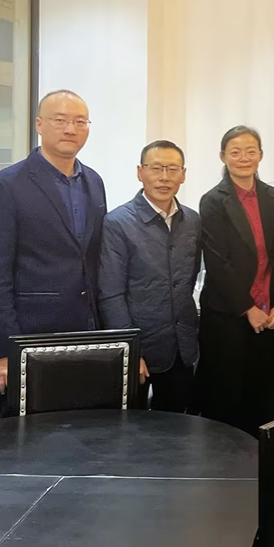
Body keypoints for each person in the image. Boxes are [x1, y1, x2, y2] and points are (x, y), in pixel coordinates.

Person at [0, 89, 106, 413]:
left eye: (80, 121)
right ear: (39, 124)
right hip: (32, 337)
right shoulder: (6, 186)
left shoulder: (94, 181)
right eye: (60, 120)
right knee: (29, 433)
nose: (70, 129)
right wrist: (4, 351)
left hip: (88, 334)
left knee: (87, 429)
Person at [196, 126, 274, 435]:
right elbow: (218, 264)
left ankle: (258, 458)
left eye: (251, 151)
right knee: (227, 398)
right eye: (235, 152)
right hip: (228, 315)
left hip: (270, 313)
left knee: (263, 395)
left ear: (260, 155)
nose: (244, 158)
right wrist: (248, 308)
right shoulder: (212, 201)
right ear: (223, 157)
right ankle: (225, 460)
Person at [98, 140, 201, 413]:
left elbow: (189, 279)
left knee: (177, 425)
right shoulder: (118, 223)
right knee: (131, 428)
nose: (164, 177)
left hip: (181, 346)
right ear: (140, 172)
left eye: (172, 169)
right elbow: (111, 294)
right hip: (140, 346)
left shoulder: (192, 220)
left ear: (183, 174)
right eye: (156, 168)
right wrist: (130, 351)